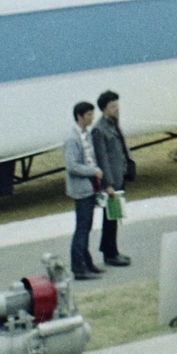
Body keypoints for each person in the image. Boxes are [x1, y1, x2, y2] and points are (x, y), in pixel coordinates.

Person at [91, 91, 134, 267]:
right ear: (104, 108)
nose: (116, 109)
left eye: (117, 105)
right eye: (112, 106)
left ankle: (110, 250)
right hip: (111, 181)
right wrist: (107, 184)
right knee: (111, 217)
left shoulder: (113, 124)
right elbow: (102, 158)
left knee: (114, 217)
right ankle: (110, 253)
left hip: (119, 176)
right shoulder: (99, 129)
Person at [65, 101, 106, 280]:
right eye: (89, 114)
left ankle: (87, 263)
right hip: (81, 189)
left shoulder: (86, 135)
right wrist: (93, 171)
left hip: (91, 188)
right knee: (82, 228)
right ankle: (79, 267)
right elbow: (72, 165)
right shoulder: (72, 139)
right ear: (79, 116)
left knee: (87, 227)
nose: (92, 117)